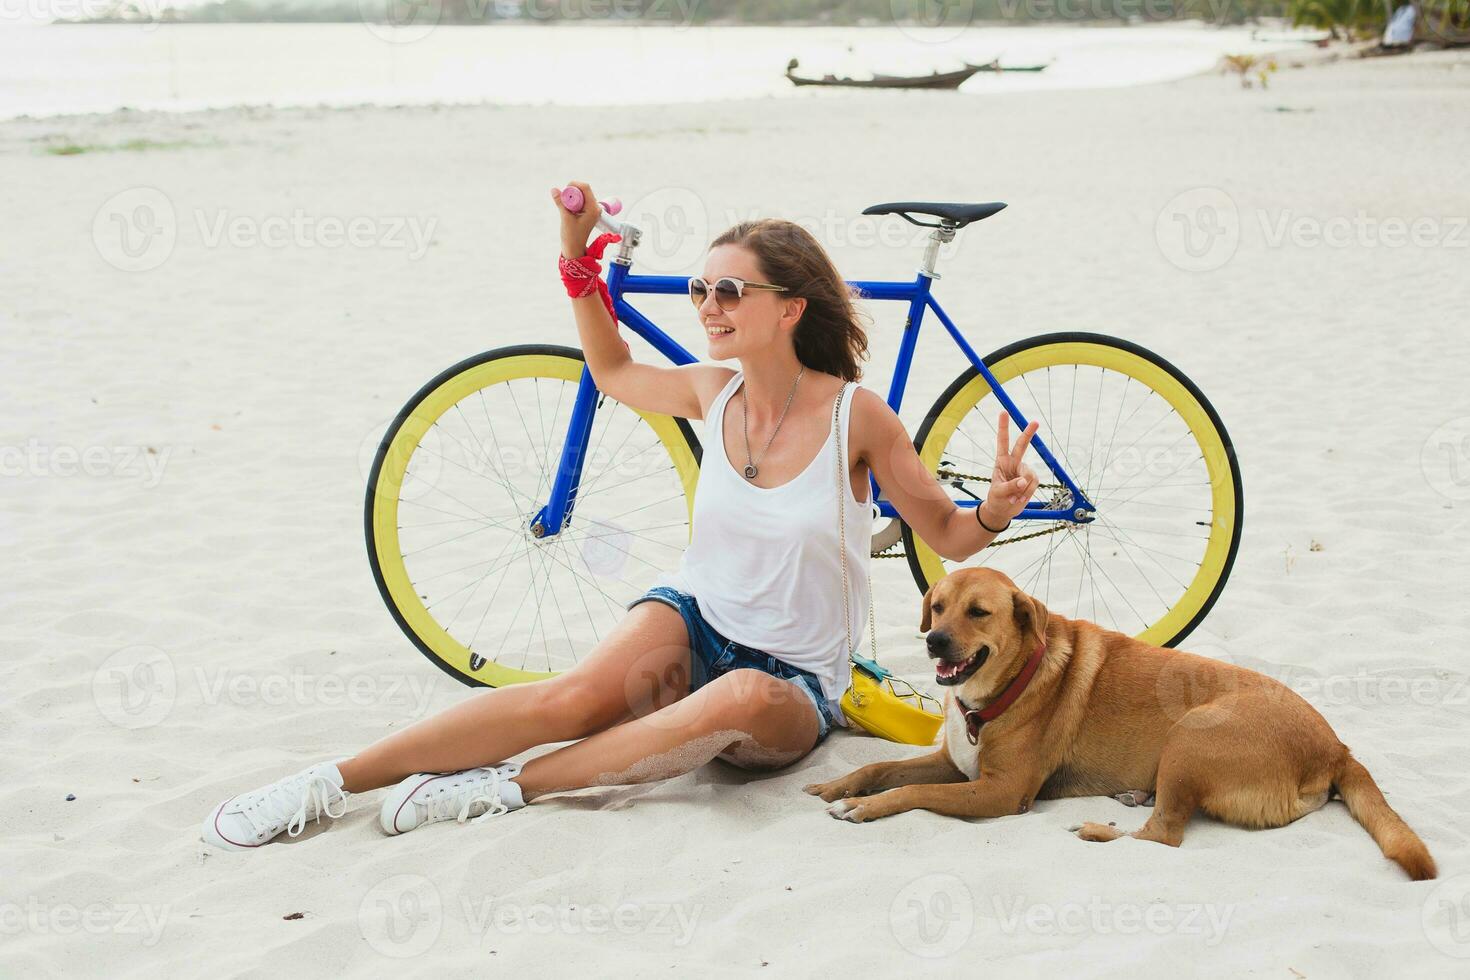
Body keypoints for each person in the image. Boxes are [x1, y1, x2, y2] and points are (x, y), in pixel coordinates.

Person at [199, 181, 1039, 851]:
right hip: (694, 617)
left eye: (729, 291)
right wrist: (576, 266)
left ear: (790, 309)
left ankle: (504, 787)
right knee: (567, 700)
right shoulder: (714, 392)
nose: (707, 304)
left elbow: (950, 536)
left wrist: (994, 510)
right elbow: (610, 371)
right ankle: (329, 782)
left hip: (791, 686)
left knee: (741, 690)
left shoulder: (860, 420)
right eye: (701, 287)